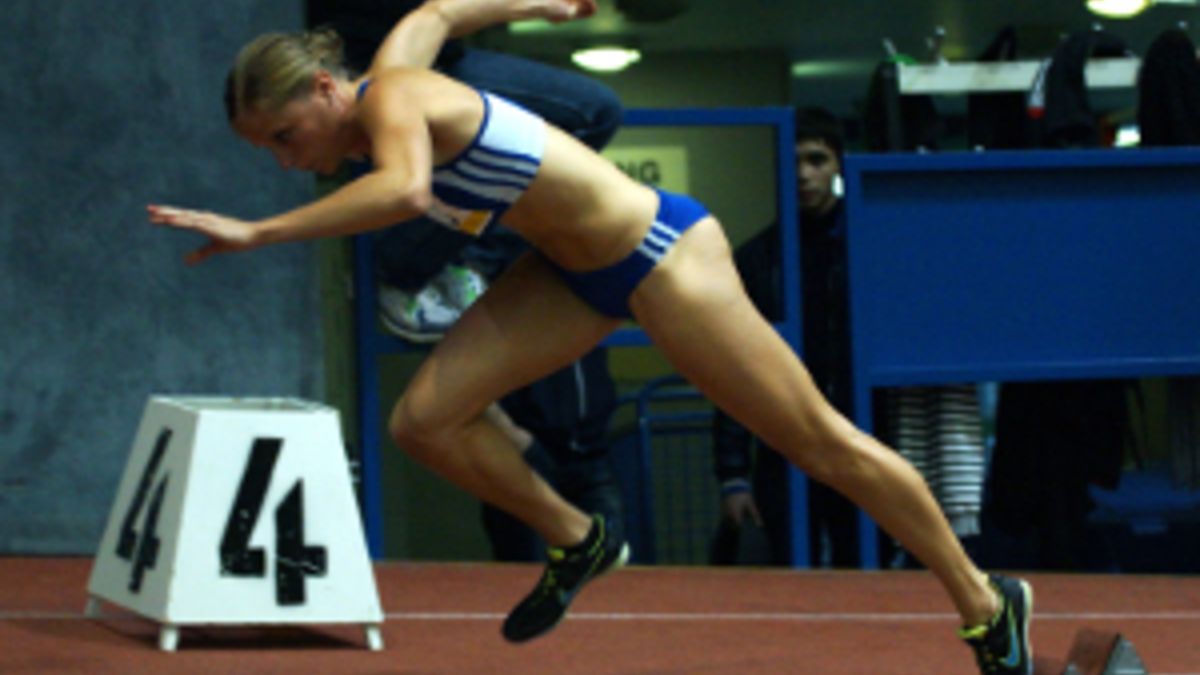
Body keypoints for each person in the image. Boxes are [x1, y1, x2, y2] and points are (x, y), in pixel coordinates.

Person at [148, 1, 1033, 671]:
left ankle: (986, 602)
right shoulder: (394, 75)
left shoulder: (395, 103)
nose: (286, 158)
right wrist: (536, 3)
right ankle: (580, 536)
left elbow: (406, 191)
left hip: (661, 259)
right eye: (268, 151)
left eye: (284, 136)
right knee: (423, 422)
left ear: (323, 89)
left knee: (818, 442)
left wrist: (258, 231)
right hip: (565, 275)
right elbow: (436, 12)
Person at [323, 0, 630, 558]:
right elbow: (433, 16)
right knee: (429, 423)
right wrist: (259, 232)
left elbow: (440, 15)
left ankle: (456, 253)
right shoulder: (382, 83)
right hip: (384, 59)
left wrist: (539, 5)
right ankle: (416, 260)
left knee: (587, 118)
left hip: (442, 60)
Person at [710, 107, 859, 568]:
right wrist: (734, 475)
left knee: (867, 570)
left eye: (817, 160)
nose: (804, 174)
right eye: (792, 161)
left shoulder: (864, 248)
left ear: (839, 165)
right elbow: (732, 365)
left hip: (861, 433)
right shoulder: (758, 259)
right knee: (792, 573)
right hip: (785, 442)